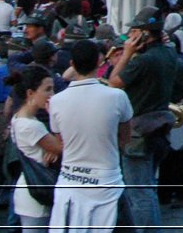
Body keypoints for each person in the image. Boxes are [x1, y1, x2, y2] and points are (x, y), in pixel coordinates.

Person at [108, 9, 183, 232]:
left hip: (138, 132)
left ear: (144, 34)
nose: (130, 36)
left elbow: (114, 82)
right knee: (148, 187)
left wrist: (126, 54)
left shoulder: (143, 60)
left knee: (140, 193)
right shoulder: (169, 54)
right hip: (159, 127)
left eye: (134, 31)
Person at [49, 39, 133, 232]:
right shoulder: (117, 97)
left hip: (70, 183)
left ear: (72, 64)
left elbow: (61, 141)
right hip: (108, 182)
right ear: (99, 62)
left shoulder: (56, 101)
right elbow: (125, 138)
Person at [8, 64, 62, 230]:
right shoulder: (31, 126)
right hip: (37, 192)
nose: (51, 95)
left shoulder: (19, 118)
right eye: (47, 89)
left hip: (31, 188)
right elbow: (62, 148)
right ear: (30, 93)